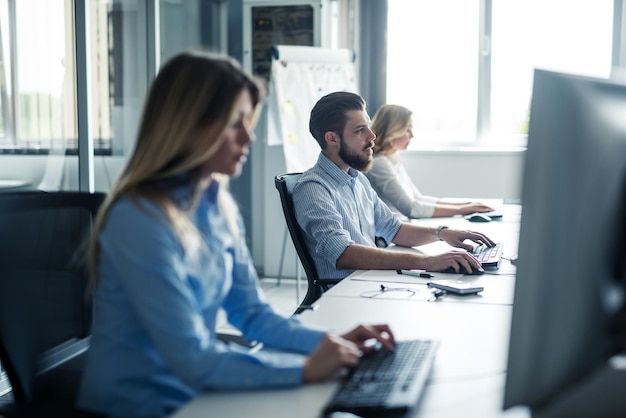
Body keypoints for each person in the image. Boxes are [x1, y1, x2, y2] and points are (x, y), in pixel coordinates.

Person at [76, 52, 394, 418]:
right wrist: (304, 370)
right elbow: (192, 357)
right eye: (235, 123)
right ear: (189, 126)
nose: (249, 136)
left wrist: (331, 342)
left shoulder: (216, 206)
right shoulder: (139, 219)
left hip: (197, 392)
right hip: (142, 405)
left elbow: (253, 314)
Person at [293, 92, 496, 280]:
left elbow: (393, 228)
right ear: (332, 139)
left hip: (371, 282)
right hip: (346, 293)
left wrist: (442, 233)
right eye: (360, 130)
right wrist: (426, 262)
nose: (372, 137)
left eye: (369, 127)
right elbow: (343, 253)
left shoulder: (358, 180)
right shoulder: (313, 188)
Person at [366, 104, 494, 219]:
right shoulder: (379, 164)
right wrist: (462, 210)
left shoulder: (392, 159)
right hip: (394, 235)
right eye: (407, 130)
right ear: (392, 130)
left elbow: (418, 198)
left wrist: (466, 205)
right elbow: (412, 209)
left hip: (406, 225)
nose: (412, 135)